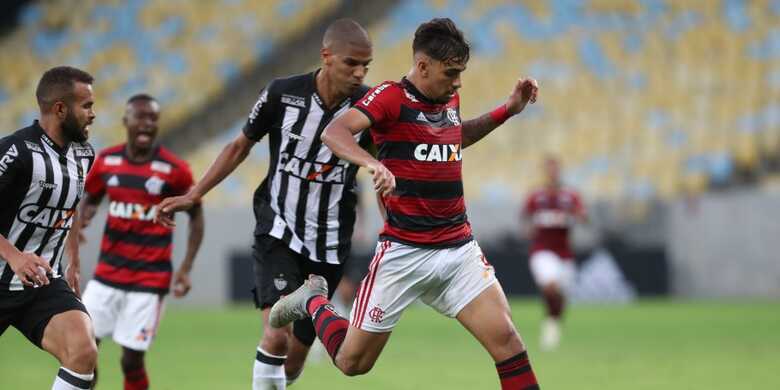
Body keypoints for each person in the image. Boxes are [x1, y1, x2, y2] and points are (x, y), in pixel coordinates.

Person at [270, 18, 541, 390]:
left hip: (458, 250)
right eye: (451, 73)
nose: (458, 82)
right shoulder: (390, 98)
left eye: (461, 73)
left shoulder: (448, 97)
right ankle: (314, 300)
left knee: (508, 344)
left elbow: (452, 139)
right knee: (352, 363)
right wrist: (372, 162)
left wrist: (506, 110)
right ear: (423, 66)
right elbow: (334, 132)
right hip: (404, 253)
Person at [156, 18, 373, 389]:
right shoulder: (282, 95)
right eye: (351, 63)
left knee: (292, 362)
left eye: (365, 65)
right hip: (278, 229)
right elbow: (240, 145)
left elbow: (383, 171)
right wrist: (195, 192)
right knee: (275, 335)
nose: (359, 72)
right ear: (326, 57)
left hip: (330, 243)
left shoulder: (368, 109)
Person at [77, 93, 204, 389]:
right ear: (126, 121)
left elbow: (196, 216)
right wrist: (85, 216)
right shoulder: (107, 161)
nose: (147, 124)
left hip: (149, 279)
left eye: (153, 119)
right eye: (141, 117)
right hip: (106, 275)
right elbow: (91, 197)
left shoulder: (175, 169)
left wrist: (185, 268)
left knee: (130, 361)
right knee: (82, 352)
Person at [0, 66, 98, 390]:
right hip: (4, 272)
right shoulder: (17, 152)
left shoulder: (84, 155)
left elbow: (67, 208)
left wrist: (73, 261)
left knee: (82, 349)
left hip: (41, 282)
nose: (93, 115)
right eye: (86, 106)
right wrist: (14, 256)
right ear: (60, 109)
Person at [521, 156, 586, 351]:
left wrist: (580, 216)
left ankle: (552, 324)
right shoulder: (536, 196)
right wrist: (527, 230)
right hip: (542, 250)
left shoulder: (570, 196)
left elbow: (583, 215)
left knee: (561, 297)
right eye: (549, 169)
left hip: (565, 253)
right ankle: (551, 325)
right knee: (550, 287)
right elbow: (525, 217)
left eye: (555, 169)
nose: (552, 173)